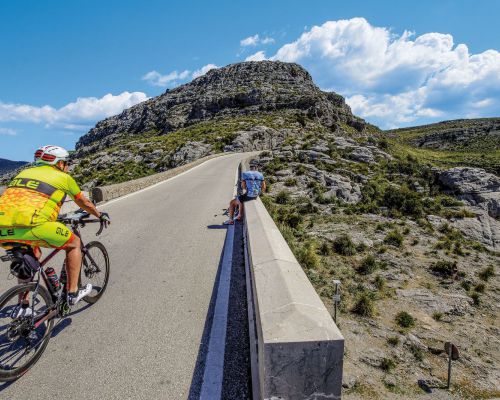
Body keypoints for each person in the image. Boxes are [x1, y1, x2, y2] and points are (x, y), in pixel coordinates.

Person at [0, 145, 110, 315]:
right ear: (59, 164)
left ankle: (24, 307)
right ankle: (72, 293)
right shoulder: (63, 177)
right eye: (66, 162)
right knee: (74, 243)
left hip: (3, 229)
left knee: (32, 255)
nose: (67, 166)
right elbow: (84, 202)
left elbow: (26, 201)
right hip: (34, 225)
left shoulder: (22, 174)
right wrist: (99, 214)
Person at [223, 159, 266, 225]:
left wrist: (248, 187)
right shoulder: (260, 174)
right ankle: (239, 215)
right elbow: (264, 187)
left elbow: (243, 186)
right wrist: (258, 193)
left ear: (250, 166)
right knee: (241, 199)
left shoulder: (245, 174)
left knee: (232, 203)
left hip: (249, 195)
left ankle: (231, 220)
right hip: (256, 195)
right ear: (257, 166)